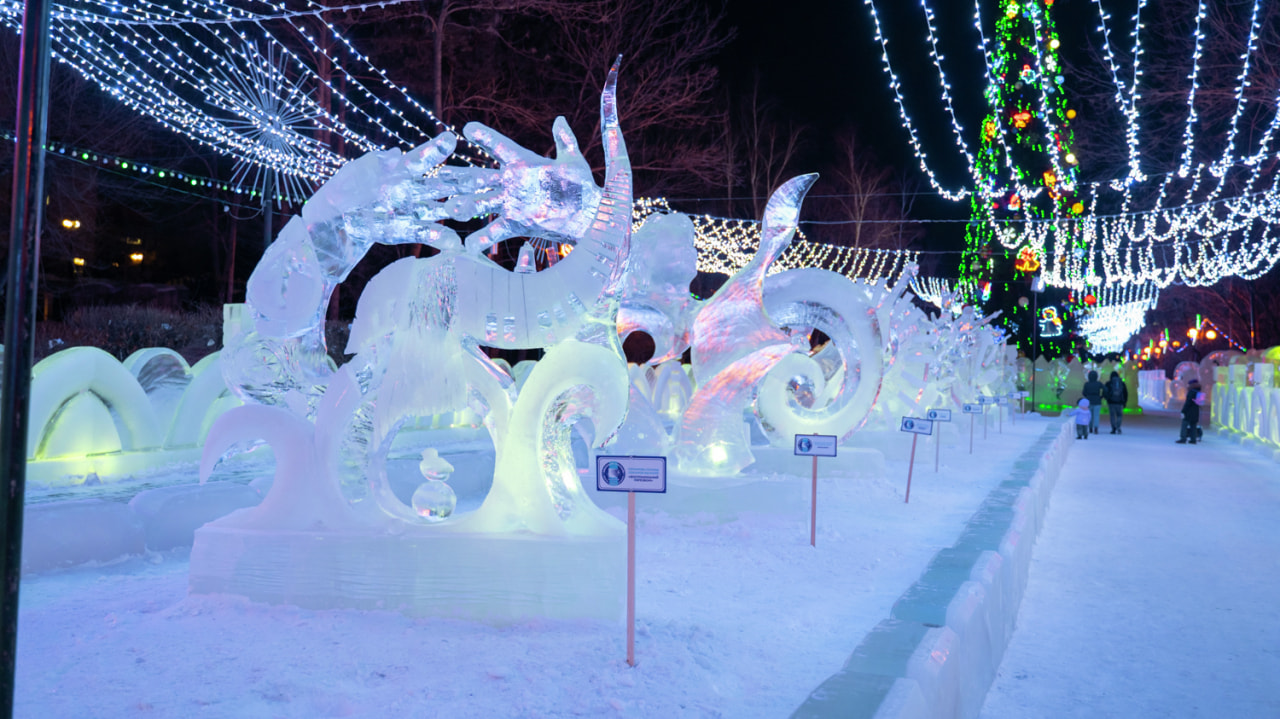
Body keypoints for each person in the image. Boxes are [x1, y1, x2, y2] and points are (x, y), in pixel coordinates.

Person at [1177, 379, 1202, 444]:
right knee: (1193, 425)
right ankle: (1193, 439)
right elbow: (1200, 403)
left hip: (1189, 411)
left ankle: (1183, 438)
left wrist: (1183, 410)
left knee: (1184, 424)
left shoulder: (1191, 392)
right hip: (1196, 411)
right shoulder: (1199, 392)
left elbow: (1188, 403)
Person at [1082, 369, 1105, 435]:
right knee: (1096, 415)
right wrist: (1102, 396)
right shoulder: (1099, 383)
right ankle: (1096, 428)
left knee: (1089, 415)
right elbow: (1105, 389)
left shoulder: (1087, 384)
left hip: (1089, 401)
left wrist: (1087, 396)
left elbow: (1084, 392)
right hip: (1097, 400)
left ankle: (1090, 428)